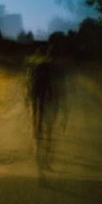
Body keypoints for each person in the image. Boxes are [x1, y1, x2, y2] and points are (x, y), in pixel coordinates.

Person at [24, 45, 67, 184]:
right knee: (49, 132)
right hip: (50, 103)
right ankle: (47, 160)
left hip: (36, 102)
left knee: (37, 131)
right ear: (57, 56)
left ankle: (39, 166)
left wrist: (28, 101)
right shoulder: (57, 69)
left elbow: (28, 84)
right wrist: (65, 108)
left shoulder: (38, 66)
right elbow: (59, 88)